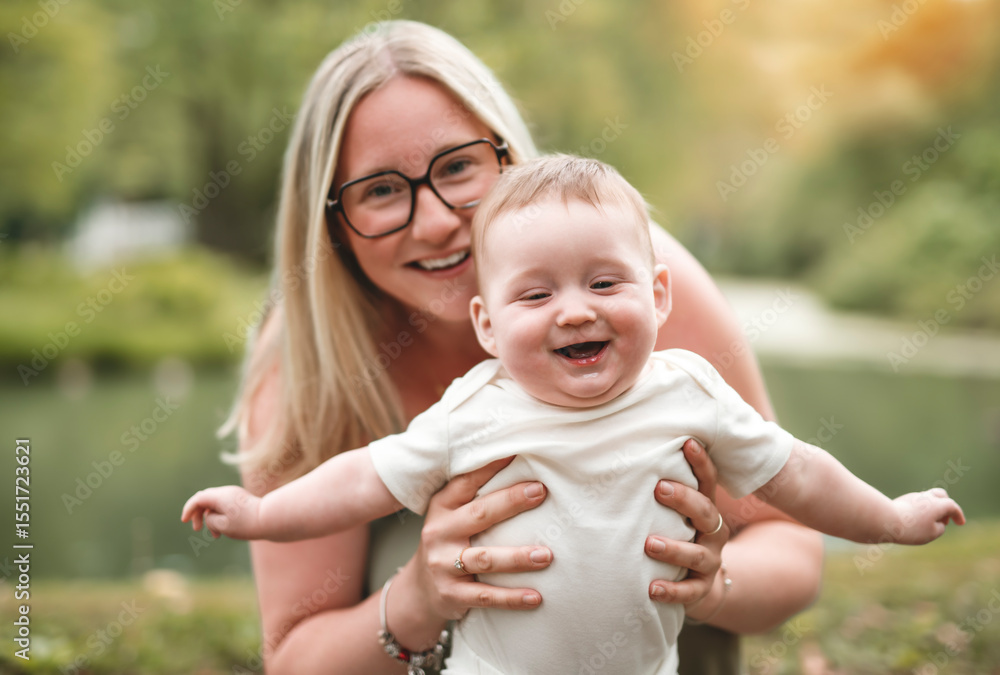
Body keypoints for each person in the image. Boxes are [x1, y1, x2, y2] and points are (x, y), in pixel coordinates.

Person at [189, 155, 964, 675]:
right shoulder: (475, 410)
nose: (572, 311)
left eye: (603, 283)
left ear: (658, 294)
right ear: (488, 326)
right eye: (536, 294)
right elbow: (362, 478)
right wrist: (263, 513)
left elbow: (798, 473)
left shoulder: (688, 391)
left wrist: (891, 518)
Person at [218, 19, 826, 675]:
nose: (437, 223)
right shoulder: (304, 358)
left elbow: (790, 544)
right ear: (333, 221)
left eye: (457, 166)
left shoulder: (631, 292)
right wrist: (420, 597)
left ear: (509, 157)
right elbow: (294, 658)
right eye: (382, 190)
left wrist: (710, 583)